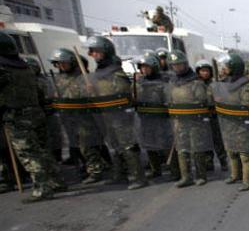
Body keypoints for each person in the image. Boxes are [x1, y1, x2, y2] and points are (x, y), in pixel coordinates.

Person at [0, 31, 65, 202]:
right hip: (36, 112)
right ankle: (57, 181)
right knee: (43, 150)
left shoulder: (3, 70)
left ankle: (43, 188)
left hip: (16, 116)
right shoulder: (25, 67)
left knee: (29, 154)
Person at [86, 35, 148, 190]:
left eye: (96, 51)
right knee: (114, 146)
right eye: (92, 51)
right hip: (106, 115)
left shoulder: (115, 72)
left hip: (120, 116)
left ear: (105, 51)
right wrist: (92, 91)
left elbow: (122, 93)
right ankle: (119, 174)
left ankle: (138, 177)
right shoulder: (99, 72)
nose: (93, 54)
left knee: (128, 146)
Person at [50, 48, 106, 183]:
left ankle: (95, 170)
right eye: (58, 64)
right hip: (68, 117)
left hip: (84, 117)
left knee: (88, 145)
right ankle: (86, 167)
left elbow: (96, 96)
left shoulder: (83, 78)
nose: (61, 66)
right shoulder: (59, 79)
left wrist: (91, 90)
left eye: (64, 63)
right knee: (76, 145)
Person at [165, 50, 214, 187]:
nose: (177, 67)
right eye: (174, 65)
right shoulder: (172, 82)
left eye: (179, 64)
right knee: (182, 149)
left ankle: (201, 175)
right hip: (179, 121)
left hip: (195, 121)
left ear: (185, 64)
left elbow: (203, 101)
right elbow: (169, 100)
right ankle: (186, 176)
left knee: (197, 148)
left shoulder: (196, 82)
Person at [211, 53, 249, 191]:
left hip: (241, 124)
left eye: (226, 67)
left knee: (244, 154)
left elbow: (248, 105)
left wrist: (227, 102)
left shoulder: (245, 85)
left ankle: (247, 180)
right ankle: (235, 175)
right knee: (231, 151)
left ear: (234, 67)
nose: (223, 69)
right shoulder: (223, 83)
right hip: (227, 123)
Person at [134, 54, 175, 180]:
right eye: (142, 67)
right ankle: (155, 169)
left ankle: (175, 170)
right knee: (149, 144)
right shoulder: (139, 83)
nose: (144, 70)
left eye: (147, 67)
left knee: (166, 144)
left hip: (162, 118)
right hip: (145, 118)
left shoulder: (164, 82)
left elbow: (169, 98)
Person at [195, 59, 228, 172]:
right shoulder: (195, 85)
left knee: (217, 140)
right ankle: (208, 162)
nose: (205, 73)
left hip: (214, 115)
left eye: (207, 71)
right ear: (198, 72)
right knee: (205, 140)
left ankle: (223, 161)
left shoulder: (215, 84)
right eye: (202, 71)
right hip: (200, 115)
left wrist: (220, 98)